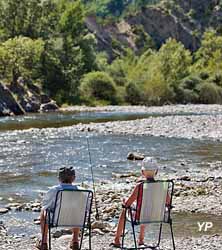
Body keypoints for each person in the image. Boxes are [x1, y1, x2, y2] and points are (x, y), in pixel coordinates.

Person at [112, 157, 160, 247]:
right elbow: (169, 203)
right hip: (156, 216)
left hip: (140, 216)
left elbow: (128, 204)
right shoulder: (162, 187)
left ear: (142, 172)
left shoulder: (140, 186)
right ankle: (141, 240)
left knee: (125, 210)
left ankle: (117, 239)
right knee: (146, 207)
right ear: (156, 171)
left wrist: (124, 201)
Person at [36, 167, 81, 250]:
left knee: (44, 211)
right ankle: (75, 241)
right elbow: (86, 208)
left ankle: (44, 242)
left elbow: (46, 205)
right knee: (77, 210)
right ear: (74, 178)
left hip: (56, 220)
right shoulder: (81, 191)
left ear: (59, 179)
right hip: (76, 220)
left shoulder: (54, 190)